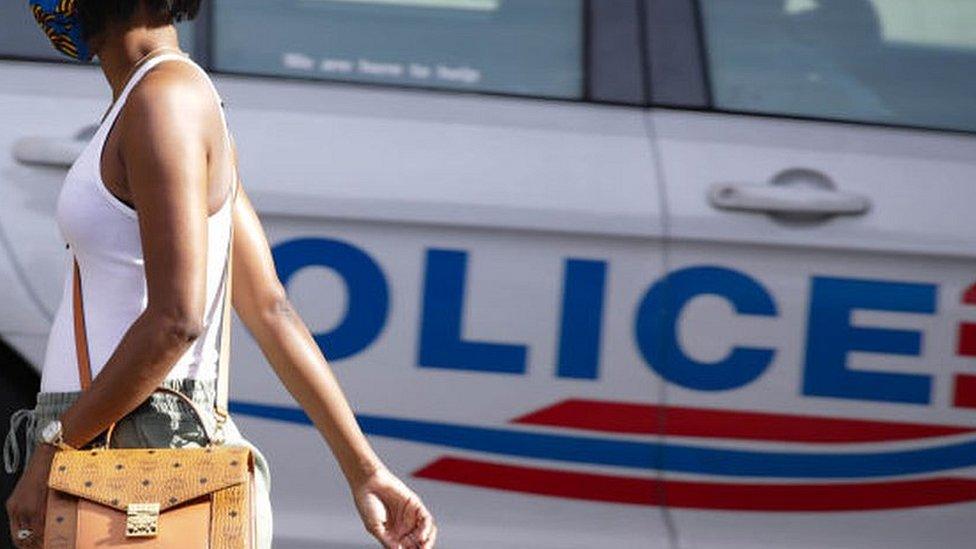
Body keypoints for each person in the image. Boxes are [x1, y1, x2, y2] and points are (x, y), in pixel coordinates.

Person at [3, 1, 437, 548]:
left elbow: (176, 321)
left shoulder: (165, 102)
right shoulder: (157, 98)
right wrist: (365, 470)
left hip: (135, 443)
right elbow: (269, 307)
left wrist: (55, 446)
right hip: (118, 433)